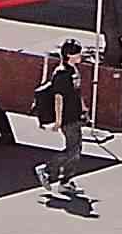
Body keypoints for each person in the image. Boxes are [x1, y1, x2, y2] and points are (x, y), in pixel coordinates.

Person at [33, 41, 90, 186]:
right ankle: (46, 170)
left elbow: (77, 91)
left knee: (76, 150)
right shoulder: (61, 73)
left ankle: (65, 180)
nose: (81, 56)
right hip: (67, 117)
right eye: (78, 53)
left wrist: (84, 108)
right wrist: (58, 121)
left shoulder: (73, 70)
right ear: (69, 55)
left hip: (75, 114)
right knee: (73, 150)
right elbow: (58, 98)